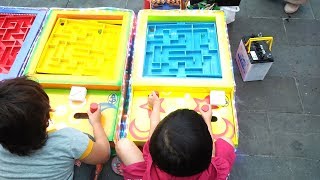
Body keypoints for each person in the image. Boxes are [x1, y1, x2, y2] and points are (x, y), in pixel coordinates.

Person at [0, 76, 110, 179]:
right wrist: (96, 123)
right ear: (46, 118)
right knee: (86, 140)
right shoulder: (68, 140)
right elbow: (104, 154)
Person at [115, 91, 236, 179]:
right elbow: (213, 153)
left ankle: (131, 176)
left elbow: (153, 125)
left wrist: (156, 105)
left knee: (122, 144)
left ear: (154, 149)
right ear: (206, 158)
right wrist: (207, 119)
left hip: (149, 177)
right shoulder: (211, 173)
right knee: (227, 141)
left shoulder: (154, 156)